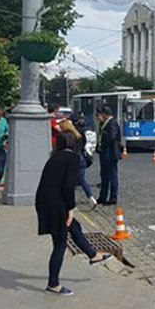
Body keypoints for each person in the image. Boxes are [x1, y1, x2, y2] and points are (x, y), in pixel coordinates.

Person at [35, 132, 112, 295]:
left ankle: (93, 255)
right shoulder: (73, 159)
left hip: (44, 201)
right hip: (56, 204)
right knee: (60, 242)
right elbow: (68, 187)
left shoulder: (54, 157)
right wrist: (70, 209)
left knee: (75, 228)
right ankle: (53, 284)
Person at [60, 119, 98, 208]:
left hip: (72, 160)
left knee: (69, 180)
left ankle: (69, 200)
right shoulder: (79, 135)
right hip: (81, 159)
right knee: (82, 180)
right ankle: (91, 197)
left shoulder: (68, 137)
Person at [95, 106, 125, 205]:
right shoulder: (103, 122)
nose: (98, 117)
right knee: (104, 176)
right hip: (104, 153)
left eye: (99, 115)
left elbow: (112, 136)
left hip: (110, 153)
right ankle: (102, 196)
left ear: (104, 114)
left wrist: (103, 141)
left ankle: (113, 197)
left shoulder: (112, 122)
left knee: (112, 175)